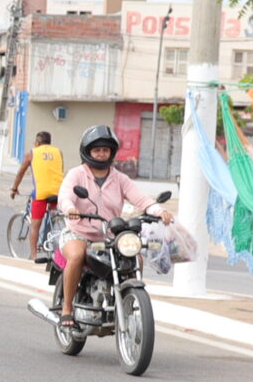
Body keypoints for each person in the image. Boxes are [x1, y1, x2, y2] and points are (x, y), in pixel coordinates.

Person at [55, 124, 169, 322]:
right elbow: (65, 196)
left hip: (109, 236)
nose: (101, 154)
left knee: (136, 259)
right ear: (88, 151)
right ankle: (66, 309)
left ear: (111, 153)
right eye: (97, 150)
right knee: (76, 255)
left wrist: (159, 211)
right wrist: (70, 209)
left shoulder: (120, 178)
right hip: (79, 232)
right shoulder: (77, 174)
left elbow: (141, 199)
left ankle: (128, 302)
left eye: (105, 150)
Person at [9, 129, 65, 253]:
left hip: (41, 193)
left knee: (35, 224)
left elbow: (20, 173)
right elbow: (59, 170)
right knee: (53, 217)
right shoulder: (58, 152)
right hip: (59, 192)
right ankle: (48, 244)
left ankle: (34, 256)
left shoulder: (31, 153)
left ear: (37, 143)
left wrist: (14, 189)